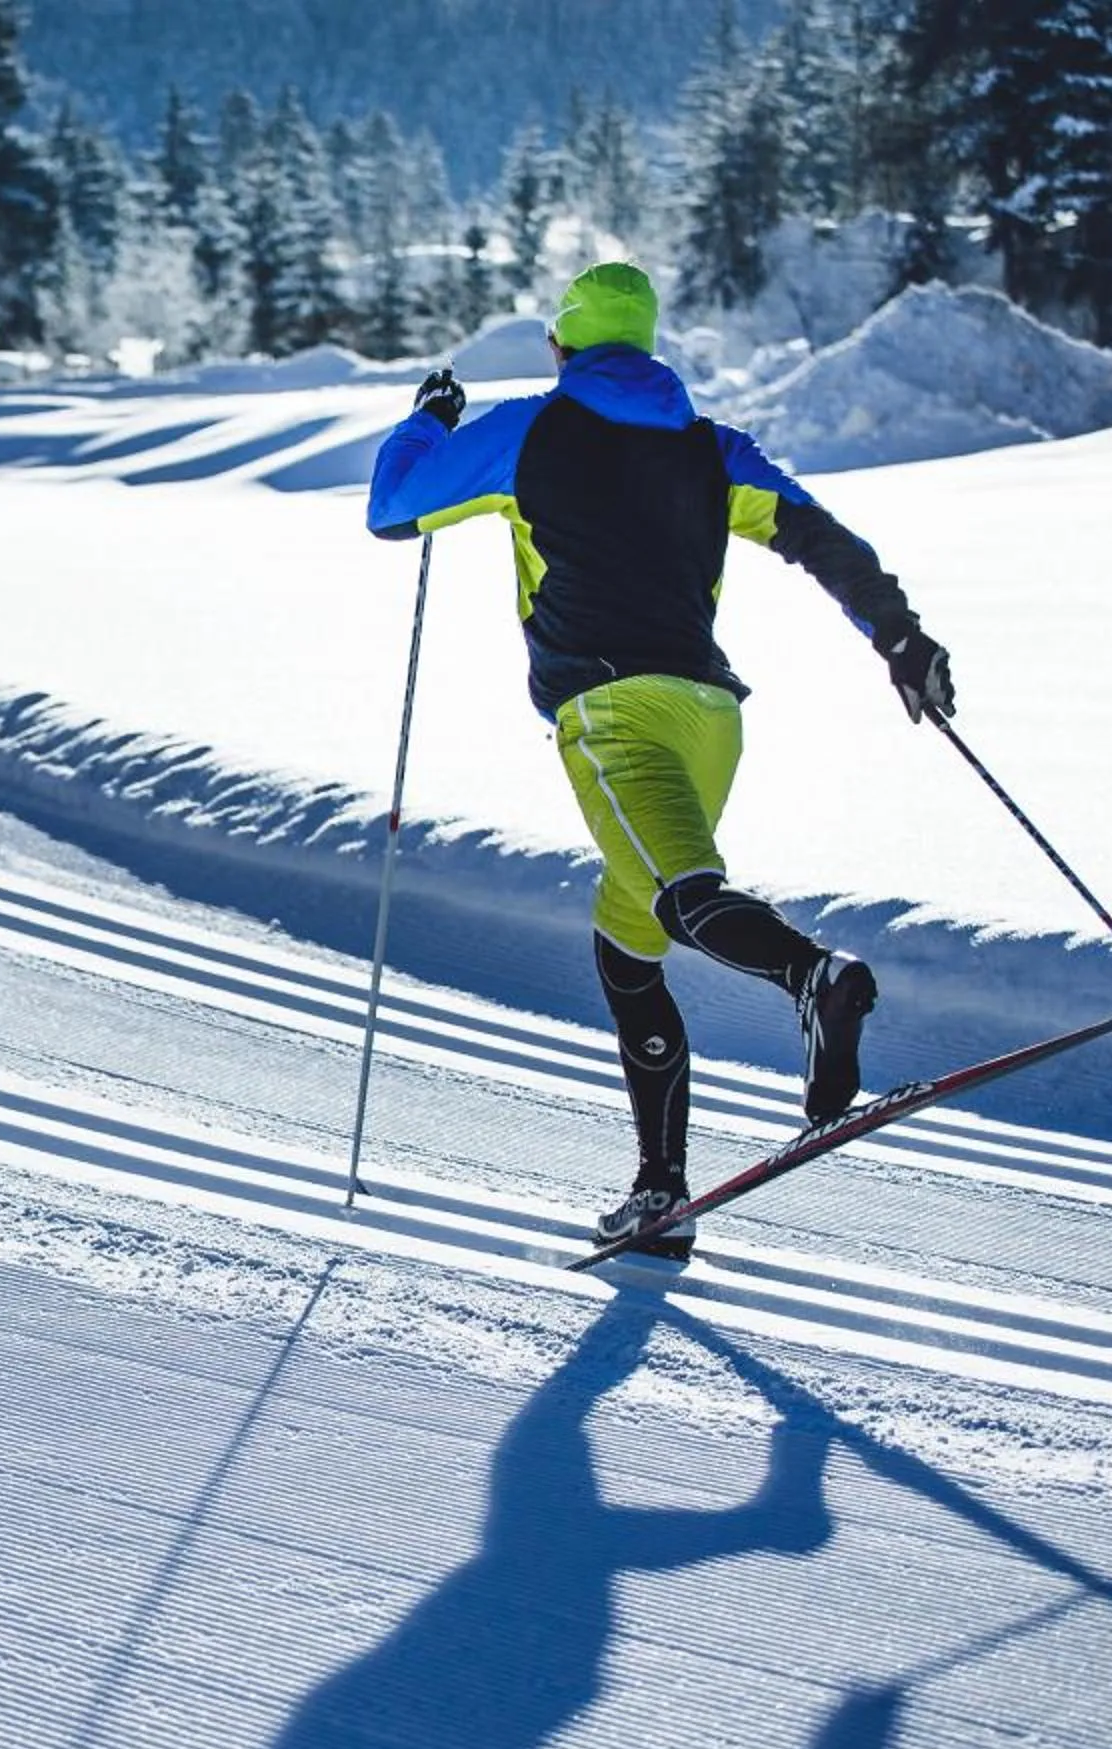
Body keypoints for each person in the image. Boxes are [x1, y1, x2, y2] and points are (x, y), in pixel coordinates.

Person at [364, 261, 955, 1257]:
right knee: (628, 941)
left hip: (609, 712)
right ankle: (659, 1193)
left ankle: (815, 978)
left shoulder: (527, 430)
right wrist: (901, 637)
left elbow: (393, 506)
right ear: (646, 351)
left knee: (682, 891)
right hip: (711, 713)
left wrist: (428, 418)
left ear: (565, 349)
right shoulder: (711, 448)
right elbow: (820, 538)